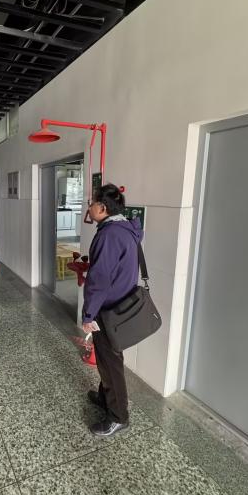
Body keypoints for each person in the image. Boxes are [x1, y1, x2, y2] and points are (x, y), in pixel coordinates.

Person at [82, 184, 142, 437]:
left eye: (91, 203)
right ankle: (106, 398)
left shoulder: (109, 235)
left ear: (103, 207)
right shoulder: (125, 228)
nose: (89, 207)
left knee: (111, 363)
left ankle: (118, 416)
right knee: (108, 359)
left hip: (107, 310)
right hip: (120, 305)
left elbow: (99, 280)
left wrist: (88, 315)